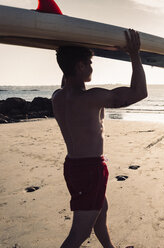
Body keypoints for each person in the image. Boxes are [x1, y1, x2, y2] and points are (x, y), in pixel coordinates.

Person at [52, 29, 146, 248]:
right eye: (89, 63)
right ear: (80, 66)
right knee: (79, 233)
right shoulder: (92, 98)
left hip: (73, 167)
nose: (92, 67)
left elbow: (67, 78)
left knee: (100, 213)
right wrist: (134, 54)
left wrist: (66, 50)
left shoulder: (58, 97)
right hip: (90, 169)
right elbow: (139, 92)